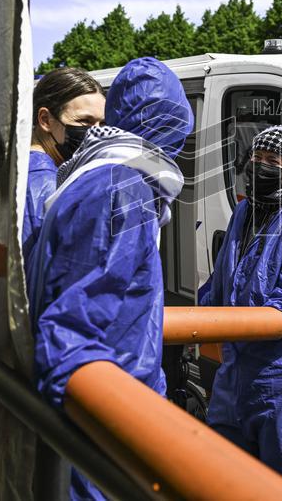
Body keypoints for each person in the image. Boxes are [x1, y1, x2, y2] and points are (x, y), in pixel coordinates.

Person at [27, 57, 193, 500]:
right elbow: (73, 329)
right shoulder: (123, 187)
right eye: (179, 126)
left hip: (105, 411)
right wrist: (115, 418)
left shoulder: (93, 176)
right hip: (108, 421)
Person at [201, 125, 282, 492]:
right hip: (236, 371)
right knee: (225, 477)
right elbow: (221, 285)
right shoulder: (243, 213)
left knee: (281, 484)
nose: (261, 167)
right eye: (257, 158)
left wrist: (224, 324)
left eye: (273, 161)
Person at [23, 67, 104, 296]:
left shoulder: (22, 168)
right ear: (45, 120)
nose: (97, 134)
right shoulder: (46, 185)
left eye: (101, 124)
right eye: (85, 122)